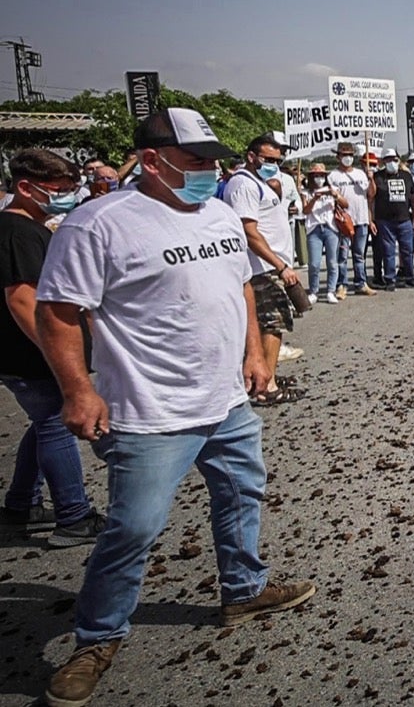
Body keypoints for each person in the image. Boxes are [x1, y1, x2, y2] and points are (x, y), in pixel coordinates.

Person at [34, 107, 314, 707]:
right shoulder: (98, 224)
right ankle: (97, 638)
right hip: (149, 411)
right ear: (153, 161)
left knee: (242, 493)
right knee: (134, 527)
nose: (210, 170)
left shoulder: (218, 213)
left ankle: (243, 589)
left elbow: (240, 286)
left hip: (226, 402)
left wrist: (255, 354)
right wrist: (78, 390)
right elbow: (56, 310)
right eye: (196, 160)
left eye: (214, 160)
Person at [0, 149, 105, 548]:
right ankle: (74, 516)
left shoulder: (29, 228)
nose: (67, 196)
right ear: (26, 187)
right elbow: (22, 299)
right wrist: (57, 353)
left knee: (43, 421)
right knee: (55, 423)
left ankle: (22, 505)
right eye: (58, 189)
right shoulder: (19, 233)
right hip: (30, 356)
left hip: (26, 354)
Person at [221, 132, 303, 407]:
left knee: (274, 323)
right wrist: (280, 265)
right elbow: (249, 232)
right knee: (271, 324)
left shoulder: (260, 183)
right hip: (261, 268)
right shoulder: (243, 184)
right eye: (268, 159)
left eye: (278, 160)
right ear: (251, 156)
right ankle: (265, 387)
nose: (274, 165)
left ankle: (268, 375)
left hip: (271, 265)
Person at [327, 142, 376, 298]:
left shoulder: (361, 174)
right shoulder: (333, 176)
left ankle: (361, 283)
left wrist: (371, 179)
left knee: (359, 254)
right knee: (342, 256)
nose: (347, 158)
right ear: (338, 157)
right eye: (344, 155)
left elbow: (371, 194)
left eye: (350, 155)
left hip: (361, 219)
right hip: (344, 221)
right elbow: (334, 198)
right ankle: (342, 285)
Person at [372, 148, 414, 290]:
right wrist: (370, 179)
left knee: (408, 250)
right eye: (388, 159)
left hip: (404, 219)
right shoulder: (377, 177)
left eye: (394, 159)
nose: (392, 162)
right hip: (385, 220)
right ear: (383, 161)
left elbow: (412, 197)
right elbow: (371, 196)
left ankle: (410, 277)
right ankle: (390, 279)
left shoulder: (406, 176)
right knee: (388, 251)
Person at [300, 163, 344, 305]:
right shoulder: (306, 192)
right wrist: (314, 199)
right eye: (316, 176)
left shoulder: (332, 189)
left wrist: (335, 195)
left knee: (332, 262)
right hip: (314, 229)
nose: (319, 178)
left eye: (322, 175)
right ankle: (314, 291)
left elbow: (345, 204)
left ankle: (331, 290)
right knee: (314, 263)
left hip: (331, 228)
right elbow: (305, 211)